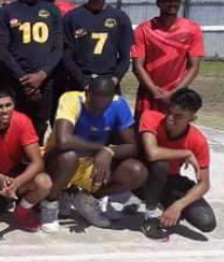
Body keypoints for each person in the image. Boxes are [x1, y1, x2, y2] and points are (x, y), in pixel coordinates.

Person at [40, 76, 147, 232]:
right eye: (94, 106)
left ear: (112, 99)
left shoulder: (119, 104)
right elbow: (63, 140)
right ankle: (50, 202)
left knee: (137, 171)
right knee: (68, 156)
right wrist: (101, 148)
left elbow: (132, 146)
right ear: (87, 93)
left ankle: (88, 200)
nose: (98, 110)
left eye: (104, 107)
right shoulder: (71, 99)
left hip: (91, 164)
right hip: (59, 162)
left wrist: (110, 151)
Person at [0, 0, 63, 141]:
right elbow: (1, 49)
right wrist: (24, 79)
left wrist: (42, 75)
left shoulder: (52, 11)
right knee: (12, 128)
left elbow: (59, 47)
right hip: (16, 83)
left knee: (38, 127)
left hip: (44, 85)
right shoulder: (7, 11)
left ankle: (33, 165)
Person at [0, 88, 51, 232]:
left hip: (16, 175)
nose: (4, 110)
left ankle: (23, 211)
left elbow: (37, 162)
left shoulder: (23, 121)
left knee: (44, 182)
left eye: (8, 105)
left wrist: (16, 183)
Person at [139, 88, 215, 239]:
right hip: (144, 177)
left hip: (171, 181)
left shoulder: (197, 140)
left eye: (178, 116)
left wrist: (178, 205)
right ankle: (150, 216)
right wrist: (186, 153)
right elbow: (152, 153)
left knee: (206, 222)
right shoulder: (151, 117)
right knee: (161, 165)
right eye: (169, 111)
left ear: (192, 119)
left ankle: (167, 204)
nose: (170, 118)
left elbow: (204, 184)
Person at [132, 0, 204, 117]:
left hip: (177, 98)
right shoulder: (144, 30)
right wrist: (155, 92)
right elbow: (137, 67)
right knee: (143, 135)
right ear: (158, 3)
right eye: (167, 0)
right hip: (148, 96)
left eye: (176, 0)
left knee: (172, 136)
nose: (172, 4)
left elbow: (194, 67)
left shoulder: (192, 30)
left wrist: (175, 93)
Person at [63, 0, 133, 92]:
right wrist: (82, 82)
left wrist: (114, 80)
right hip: (80, 83)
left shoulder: (120, 18)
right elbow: (66, 56)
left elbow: (125, 58)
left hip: (108, 82)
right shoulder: (71, 18)